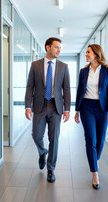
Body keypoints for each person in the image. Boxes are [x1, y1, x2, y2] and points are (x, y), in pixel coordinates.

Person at [25, 37, 71, 182]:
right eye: (56, 47)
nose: (59, 50)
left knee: (54, 139)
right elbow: (30, 86)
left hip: (56, 107)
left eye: (60, 48)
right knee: (36, 135)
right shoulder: (35, 65)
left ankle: (51, 169)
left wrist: (67, 109)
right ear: (47, 47)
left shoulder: (63, 67)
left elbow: (66, 89)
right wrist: (27, 106)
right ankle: (42, 152)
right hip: (39, 105)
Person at [74, 44, 108, 190]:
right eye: (86, 52)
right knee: (91, 139)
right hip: (87, 107)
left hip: (102, 109)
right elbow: (80, 90)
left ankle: (94, 160)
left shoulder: (107, 70)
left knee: (100, 139)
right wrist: (77, 110)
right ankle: (95, 173)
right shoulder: (83, 71)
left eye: (88, 52)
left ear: (96, 55)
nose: (86, 55)